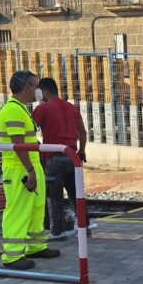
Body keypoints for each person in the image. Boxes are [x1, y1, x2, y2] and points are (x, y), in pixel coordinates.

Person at [0, 70, 60, 270]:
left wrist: (34, 169)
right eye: (36, 85)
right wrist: (30, 170)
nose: (39, 90)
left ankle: (35, 246)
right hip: (20, 170)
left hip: (30, 167)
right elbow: (18, 144)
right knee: (18, 211)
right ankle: (12, 256)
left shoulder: (21, 108)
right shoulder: (13, 110)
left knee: (35, 209)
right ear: (27, 87)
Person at [32, 78, 89, 241]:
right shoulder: (72, 108)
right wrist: (82, 151)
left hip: (53, 157)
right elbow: (83, 132)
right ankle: (86, 226)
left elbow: (28, 131)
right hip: (72, 156)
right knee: (76, 194)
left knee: (54, 197)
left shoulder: (42, 109)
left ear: (45, 92)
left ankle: (58, 231)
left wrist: (38, 147)